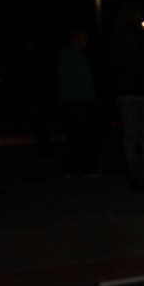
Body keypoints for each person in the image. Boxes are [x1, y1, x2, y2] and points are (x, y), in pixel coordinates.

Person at [110, 3, 144, 191]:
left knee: (130, 136)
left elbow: (112, 69)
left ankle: (134, 177)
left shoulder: (118, 41)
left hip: (126, 91)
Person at [56, 26, 99, 178]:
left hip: (76, 102)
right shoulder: (72, 55)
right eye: (81, 37)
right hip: (78, 102)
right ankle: (79, 168)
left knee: (77, 136)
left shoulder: (77, 55)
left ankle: (75, 168)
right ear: (74, 39)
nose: (85, 40)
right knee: (80, 136)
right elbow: (79, 80)